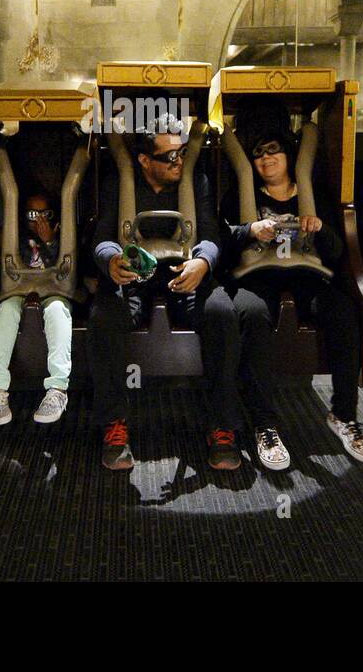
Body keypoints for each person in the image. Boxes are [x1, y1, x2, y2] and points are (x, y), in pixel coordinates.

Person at [89, 113, 246, 472]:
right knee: (104, 315)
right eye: (168, 157)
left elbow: (210, 232)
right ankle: (114, 425)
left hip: (183, 271)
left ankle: (222, 426)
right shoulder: (120, 183)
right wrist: (111, 259)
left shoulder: (195, 180)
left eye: (180, 154)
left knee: (221, 312)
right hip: (137, 271)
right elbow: (101, 237)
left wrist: (204, 262)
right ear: (144, 161)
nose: (178, 162)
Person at [227, 129, 363, 467]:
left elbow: (337, 253)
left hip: (307, 275)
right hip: (260, 276)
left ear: (289, 156)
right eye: (258, 153)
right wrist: (250, 231)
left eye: (273, 150)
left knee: (341, 310)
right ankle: (265, 423)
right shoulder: (242, 194)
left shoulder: (311, 193)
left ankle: (343, 414)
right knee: (251, 313)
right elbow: (226, 243)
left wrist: (320, 228)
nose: (266, 158)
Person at [0, 191, 72, 426]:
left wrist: (49, 242)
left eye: (45, 214)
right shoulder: (16, 237)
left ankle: (57, 388)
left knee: (57, 312)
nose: (38, 221)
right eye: (33, 214)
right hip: (18, 291)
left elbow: (64, 269)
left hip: (54, 290)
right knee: (5, 312)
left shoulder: (63, 237)